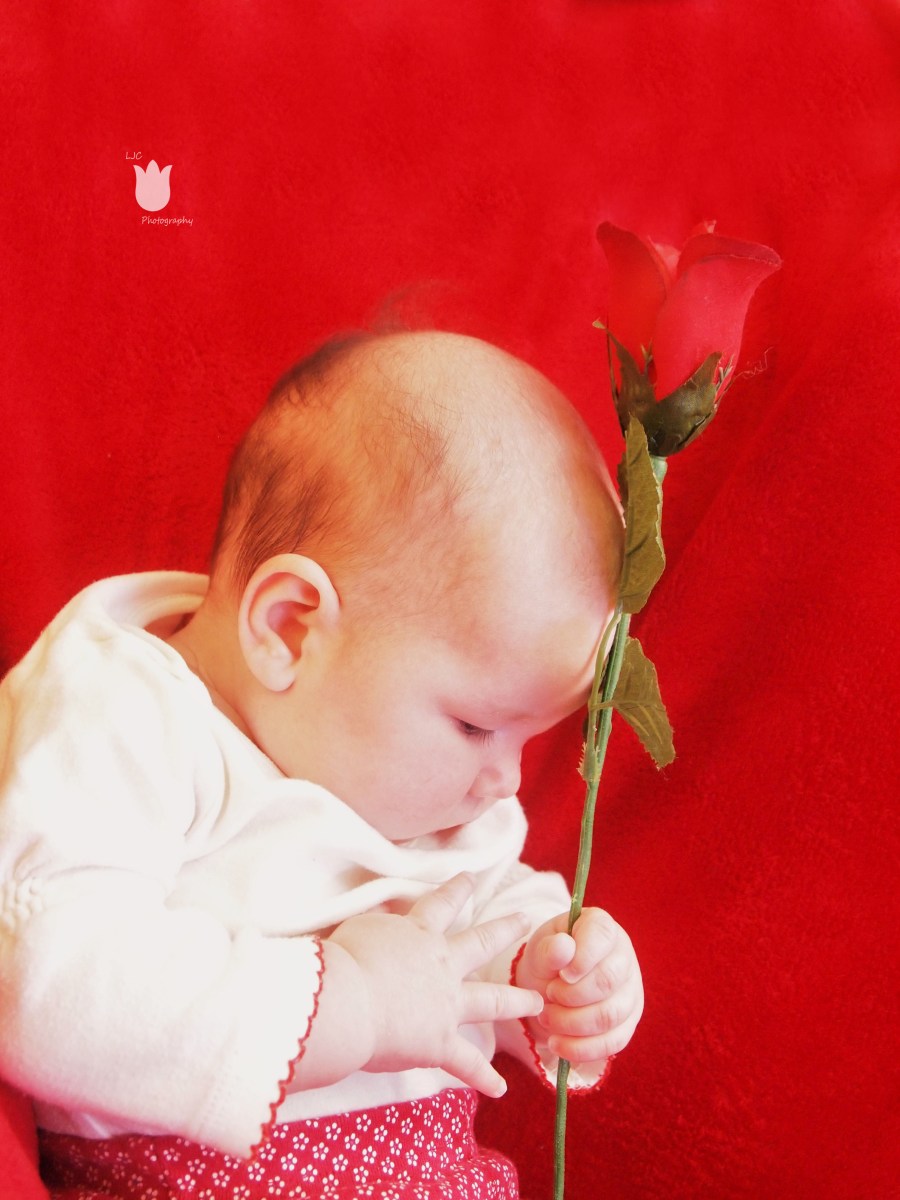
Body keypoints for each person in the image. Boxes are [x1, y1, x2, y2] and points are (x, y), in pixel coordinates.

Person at [0, 330, 643, 1199]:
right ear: (291, 627)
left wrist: (550, 975)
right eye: (476, 725)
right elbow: (44, 978)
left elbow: (478, 916)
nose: (508, 781)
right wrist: (348, 1007)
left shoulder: (432, 796)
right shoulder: (125, 717)